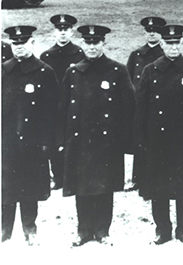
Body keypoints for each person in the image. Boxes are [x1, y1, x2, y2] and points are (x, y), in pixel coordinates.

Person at [58, 25, 135, 246]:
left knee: (104, 185)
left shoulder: (117, 70)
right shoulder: (73, 72)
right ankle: (83, 230)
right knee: (81, 185)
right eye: (88, 42)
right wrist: (62, 140)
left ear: (103, 43)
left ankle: (102, 230)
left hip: (106, 141)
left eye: (96, 42)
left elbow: (128, 106)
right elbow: (63, 108)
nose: (92, 46)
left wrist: (123, 140)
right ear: (82, 44)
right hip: (80, 139)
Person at [135, 24, 183, 245]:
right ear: (162, 44)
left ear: (182, 43)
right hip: (157, 140)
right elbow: (141, 107)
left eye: (177, 43)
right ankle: (162, 230)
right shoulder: (151, 70)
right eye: (169, 43)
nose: (173, 47)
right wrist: (139, 139)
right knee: (158, 188)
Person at [2, 26, 59, 245]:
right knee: (5, 187)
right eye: (15, 44)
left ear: (32, 43)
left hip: (33, 142)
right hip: (6, 141)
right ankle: (4, 229)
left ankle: (30, 228)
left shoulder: (44, 71)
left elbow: (51, 110)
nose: (19, 48)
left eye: (23, 43)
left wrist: (47, 142)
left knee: (29, 186)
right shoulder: (3, 70)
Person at [40, 14, 85, 191]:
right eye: (59, 30)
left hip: (73, 105)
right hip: (52, 106)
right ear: (54, 32)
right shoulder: (46, 56)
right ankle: (58, 177)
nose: (63, 33)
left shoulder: (79, 54)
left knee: (73, 139)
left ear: (72, 31)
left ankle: (72, 176)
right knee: (54, 140)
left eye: (66, 30)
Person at [126, 16, 166, 191]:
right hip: (139, 105)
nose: (152, 34)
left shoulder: (164, 55)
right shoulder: (136, 55)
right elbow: (128, 80)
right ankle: (137, 178)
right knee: (139, 141)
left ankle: (157, 176)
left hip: (159, 107)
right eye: (149, 31)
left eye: (156, 31)